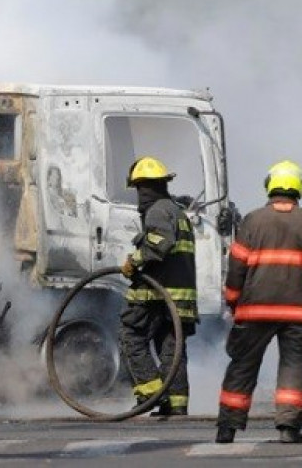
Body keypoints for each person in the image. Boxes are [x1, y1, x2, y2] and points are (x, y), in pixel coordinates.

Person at [216, 160, 302, 444]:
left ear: (270, 186)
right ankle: (289, 428)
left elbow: (236, 268)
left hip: (255, 310)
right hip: (298, 313)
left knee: (242, 365)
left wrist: (233, 301)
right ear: (299, 188)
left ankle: (227, 428)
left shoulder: (252, 221)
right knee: (292, 366)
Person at [119, 156, 196, 416]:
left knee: (132, 337)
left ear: (143, 187)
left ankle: (150, 395)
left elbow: (158, 244)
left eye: (139, 188)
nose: (139, 195)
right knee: (171, 351)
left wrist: (134, 261)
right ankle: (175, 405)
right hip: (179, 299)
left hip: (157, 296)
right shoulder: (176, 210)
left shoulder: (158, 211)